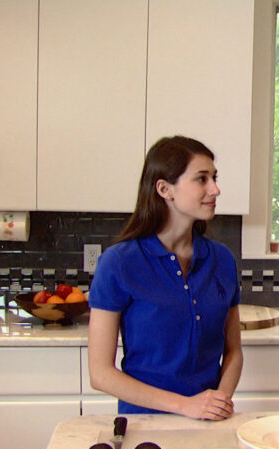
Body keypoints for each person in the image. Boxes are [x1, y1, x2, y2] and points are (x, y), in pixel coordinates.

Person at [87, 136, 242, 419]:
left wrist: (218, 401)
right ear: (164, 189)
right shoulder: (118, 264)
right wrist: (186, 406)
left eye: (214, 178)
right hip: (143, 424)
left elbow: (234, 352)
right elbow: (101, 374)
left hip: (208, 422)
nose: (215, 189)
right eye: (202, 179)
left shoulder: (222, 260)